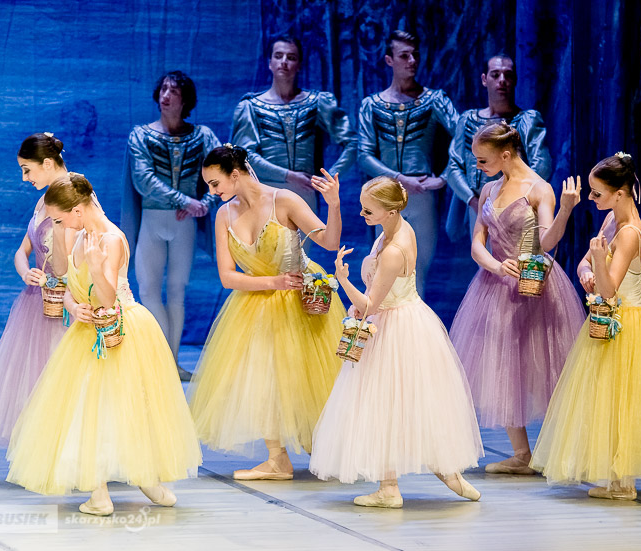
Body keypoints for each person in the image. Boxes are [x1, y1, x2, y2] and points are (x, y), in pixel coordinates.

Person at [6, 174, 202, 515]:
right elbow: (68, 283)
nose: (58, 226)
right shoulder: (77, 235)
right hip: (87, 331)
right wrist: (72, 306)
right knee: (87, 407)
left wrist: (96, 269)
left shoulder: (112, 239)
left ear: (78, 210)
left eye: (59, 219)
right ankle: (98, 492)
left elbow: (109, 298)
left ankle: (147, 477)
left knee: (131, 405)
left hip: (121, 330)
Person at [529, 153, 641, 500]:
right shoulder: (611, 220)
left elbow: (610, 289)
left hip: (630, 324)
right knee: (611, 401)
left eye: (597, 193)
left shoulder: (630, 233)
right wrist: (588, 270)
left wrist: (599, 264)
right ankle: (621, 480)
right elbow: (586, 263)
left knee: (634, 401)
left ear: (619, 193)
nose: (591, 198)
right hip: (609, 320)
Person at [309, 176, 483, 508]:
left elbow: (371, 305)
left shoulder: (394, 249)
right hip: (397, 319)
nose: (362, 215)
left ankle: (430, 477)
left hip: (396, 327)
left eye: (368, 210)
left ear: (390, 211)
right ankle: (408, 482)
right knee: (392, 404)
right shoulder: (394, 229)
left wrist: (343, 280)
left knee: (391, 402)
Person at [187, 145, 345, 480]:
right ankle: (277, 459)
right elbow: (228, 277)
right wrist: (273, 282)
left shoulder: (283, 200)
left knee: (306, 376)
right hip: (257, 301)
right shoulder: (224, 215)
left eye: (215, 183)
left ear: (235, 174)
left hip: (300, 301)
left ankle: (324, 443)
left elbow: (329, 242)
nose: (212, 192)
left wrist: (333, 205)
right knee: (263, 380)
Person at [448, 121, 584, 475]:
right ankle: (522, 454)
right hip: (495, 285)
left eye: (482, 160)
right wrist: (496, 266)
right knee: (501, 364)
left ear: (506, 155)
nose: (477, 166)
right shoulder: (489, 189)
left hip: (535, 286)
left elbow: (546, 242)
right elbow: (477, 243)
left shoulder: (539, 189)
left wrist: (566, 209)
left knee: (547, 366)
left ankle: (568, 450)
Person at [122, 70, 221, 380]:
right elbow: (143, 179)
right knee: (148, 289)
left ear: (185, 100)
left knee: (177, 291)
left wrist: (205, 203)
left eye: (174, 91)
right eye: (163, 89)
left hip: (183, 225)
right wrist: (185, 201)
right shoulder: (140, 135)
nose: (166, 96)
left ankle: (173, 363)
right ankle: (164, 360)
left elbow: (223, 169)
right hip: (153, 219)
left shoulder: (202, 135)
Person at [0, 133, 72, 445]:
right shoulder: (44, 199)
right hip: (36, 302)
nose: (24, 178)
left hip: (64, 303)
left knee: (62, 379)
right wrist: (25, 272)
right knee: (36, 378)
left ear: (47, 163)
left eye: (27, 170)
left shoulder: (73, 195)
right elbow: (23, 250)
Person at [357, 30, 458, 297]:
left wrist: (445, 177)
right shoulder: (371, 105)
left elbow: (465, 137)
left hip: (421, 195)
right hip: (383, 196)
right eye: (404, 55)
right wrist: (399, 178)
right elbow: (364, 155)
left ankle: (414, 324)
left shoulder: (434, 100)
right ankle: (380, 323)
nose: (412, 61)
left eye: (415, 55)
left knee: (416, 271)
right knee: (380, 270)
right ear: (389, 60)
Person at [231, 36, 356, 214]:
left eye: (291, 57)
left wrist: (328, 177)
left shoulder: (317, 102)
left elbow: (352, 142)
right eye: (278, 56)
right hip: (264, 192)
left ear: (299, 65)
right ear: (270, 63)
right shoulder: (251, 106)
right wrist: (289, 176)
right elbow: (243, 156)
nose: (284, 62)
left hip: (304, 193)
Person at [445, 54, 552, 241]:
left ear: (515, 80)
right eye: (495, 75)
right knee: (481, 256)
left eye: (508, 75)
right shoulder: (468, 119)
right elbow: (453, 166)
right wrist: (473, 201)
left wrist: (518, 198)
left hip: (516, 209)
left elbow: (541, 164)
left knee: (514, 256)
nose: (502, 80)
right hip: (476, 206)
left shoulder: (526, 120)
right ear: (484, 79)